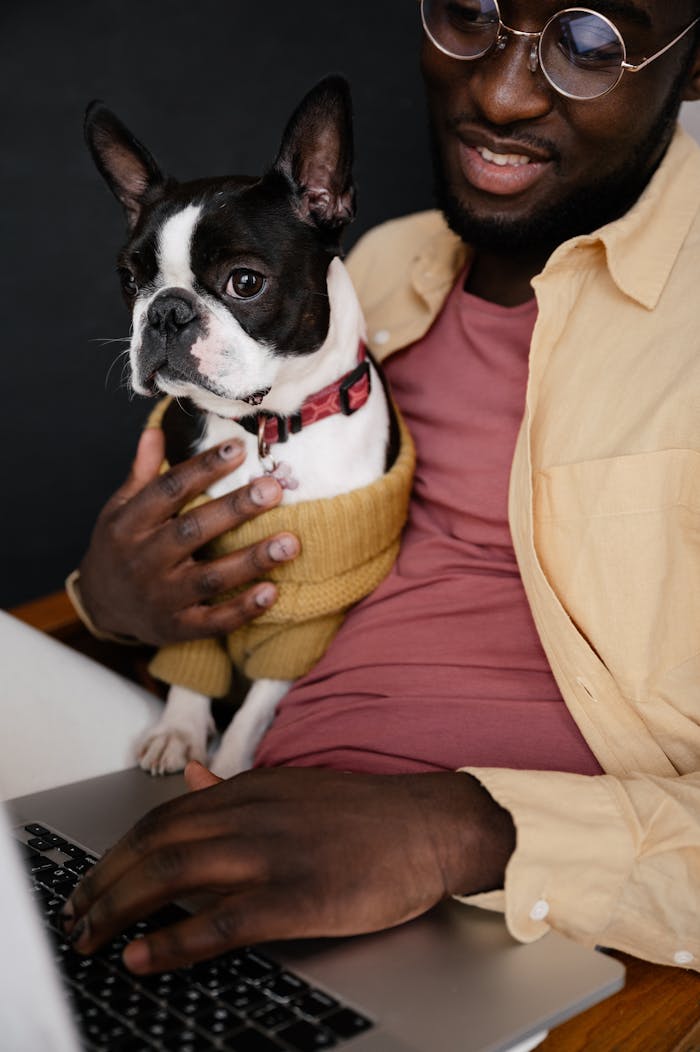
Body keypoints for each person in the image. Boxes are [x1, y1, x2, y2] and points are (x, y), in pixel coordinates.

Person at [56, 0, 700, 976]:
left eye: (588, 39)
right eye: (472, 11)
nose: (499, 88)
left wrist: (464, 829)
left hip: (514, 928)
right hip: (213, 802)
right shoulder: (383, 265)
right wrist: (109, 604)